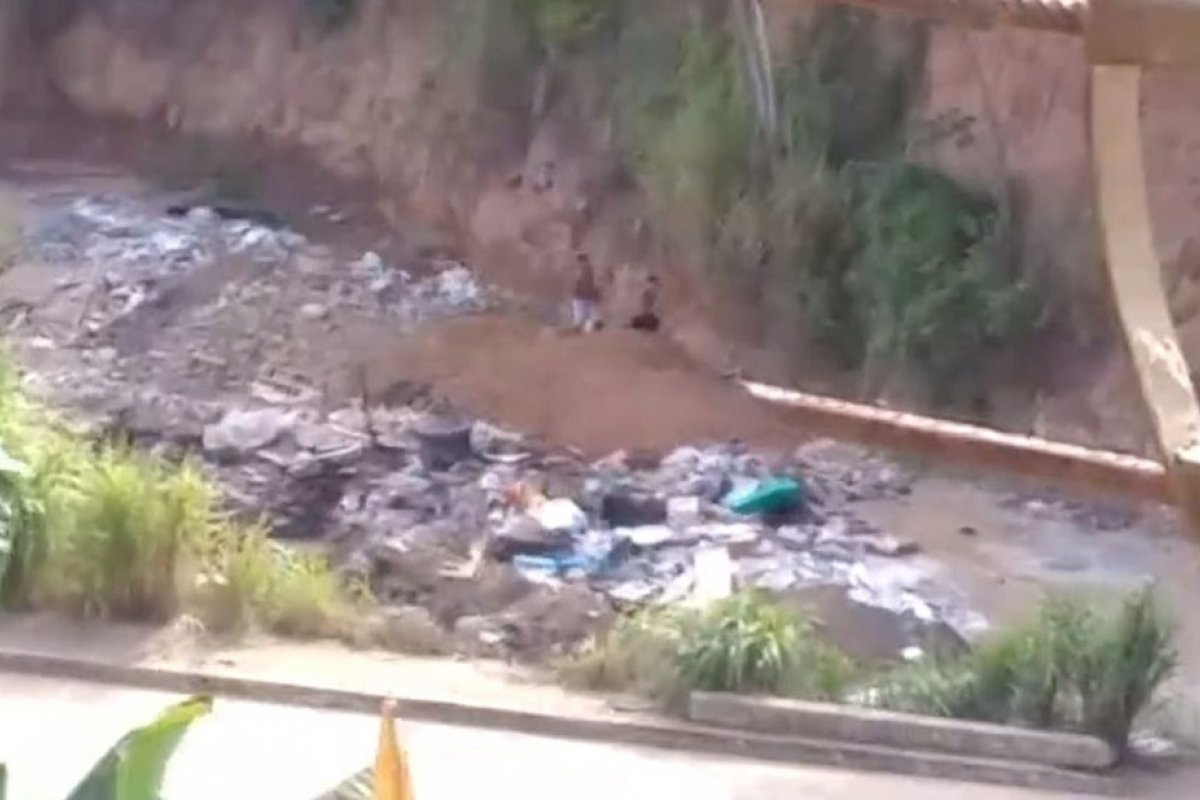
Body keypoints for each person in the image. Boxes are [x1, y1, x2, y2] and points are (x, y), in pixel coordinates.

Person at [570, 252, 602, 332]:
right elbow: (595, 282)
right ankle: (595, 322)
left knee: (580, 309)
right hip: (590, 294)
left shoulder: (581, 269)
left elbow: (580, 281)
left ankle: (580, 324)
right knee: (591, 309)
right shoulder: (591, 268)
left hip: (582, 294)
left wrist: (577, 290)